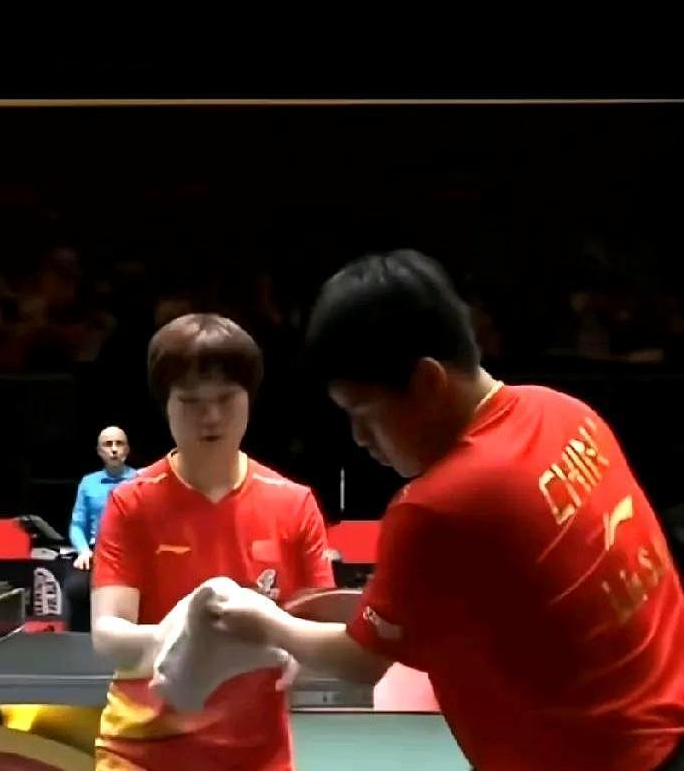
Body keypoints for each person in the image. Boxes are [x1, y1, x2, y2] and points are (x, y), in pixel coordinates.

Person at [207, 250, 684, 771]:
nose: (359, 437)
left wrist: (264, 623)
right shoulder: (564, 411)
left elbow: (361, 660)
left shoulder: (439, 507)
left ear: (428, 382)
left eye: (363, 413)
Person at [90, 313, 334, 771]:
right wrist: (186, 637)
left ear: (250, 400)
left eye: (226, 398)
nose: (212, 416)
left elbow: (320, 630)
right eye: (191, 401)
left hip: (257, 755)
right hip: (142, 750)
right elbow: (108, 633)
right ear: (166, 405)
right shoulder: (131, 503)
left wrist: (296, 651)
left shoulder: (294, 503)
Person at [64, 426, 136, 632]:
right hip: (98, 552)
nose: (114, 449)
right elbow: (77, 525)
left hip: (131, 553)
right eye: (108, 444)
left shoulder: (141, 479)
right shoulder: (88, 483)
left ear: (127, 450)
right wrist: (83, 550)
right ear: (99, 451)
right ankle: (78, 641)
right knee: (76, 588)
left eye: (119, 444)